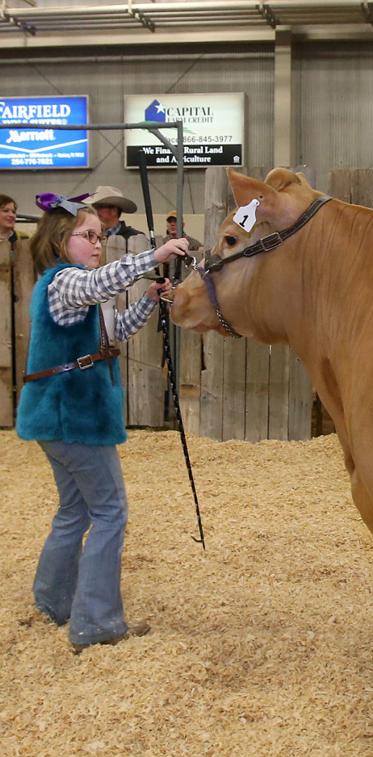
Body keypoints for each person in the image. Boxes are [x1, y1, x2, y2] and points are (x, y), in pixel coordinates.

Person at [15, 191, 187, 652]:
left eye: (101, 236)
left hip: (57, 416)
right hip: (75, 416)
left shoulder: (69, 287)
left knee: (76, 510)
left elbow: (112, 336)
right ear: (59, 239)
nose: (98, 243)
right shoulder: (66, 281)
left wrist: (149, 299)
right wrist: (155, 254)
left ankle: (55, 601)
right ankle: (95, 623)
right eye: (89, 236)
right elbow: (100, 285)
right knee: (110, 511)